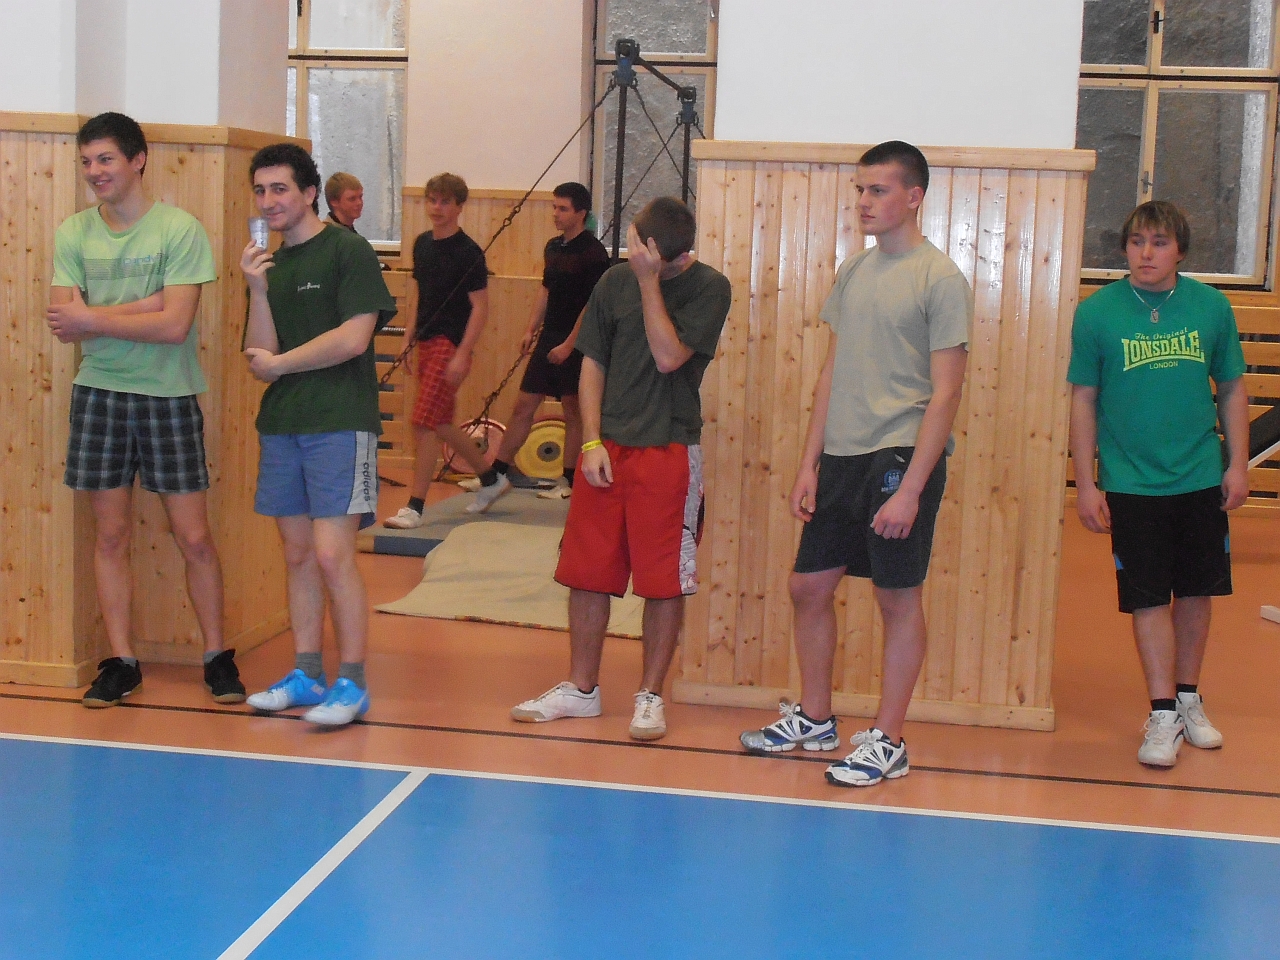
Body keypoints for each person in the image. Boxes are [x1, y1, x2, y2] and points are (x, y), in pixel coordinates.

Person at [740, 141, 971, 786]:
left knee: (897, 598)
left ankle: (889, 741)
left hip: (899, 456)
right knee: (808, 587)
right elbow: (831, 372)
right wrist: (809, 462)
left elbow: (946, 393)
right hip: (842, 456)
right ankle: (816, 720)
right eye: (860, 190)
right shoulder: (855, 271)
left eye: (878, 190)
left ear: (913, 197)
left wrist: (911, 489)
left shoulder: (940, 279)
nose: (864, 202)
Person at [511, 198, 732, 741]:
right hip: (607, 447)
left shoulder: (709, 287)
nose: (629, 252)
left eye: (639, 248)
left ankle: (650, 696)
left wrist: (650, 283)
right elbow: (593, 363)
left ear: (663, 254)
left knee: (663, 582)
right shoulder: (612, 282)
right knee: (586, 573)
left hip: (669, 450)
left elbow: (668, 357)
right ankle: (581, 689)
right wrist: (589, 441)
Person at [46, 111, 243, 708]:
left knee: (195, 536)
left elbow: (175, 326)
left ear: (137, 160)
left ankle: (217, 657)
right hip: (99, 393)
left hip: (169, 396)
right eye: (86, 161)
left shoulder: (179, 230)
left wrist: (95, 316)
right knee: (110, 535)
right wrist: (147, 305)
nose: (94, 171)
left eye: (105, 159)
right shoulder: (73, 232)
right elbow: (64, 322)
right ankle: (122, 662)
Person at [1067, 200, 1247, 768]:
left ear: (1180, 251)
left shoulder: (1211, 307)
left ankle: (1189, 698)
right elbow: (1083, 399)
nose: (1146, 253)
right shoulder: (1097, 314)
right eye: (1137, 242)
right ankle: (1162, 711)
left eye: (1159, 243)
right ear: (1125, 248)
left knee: (1195, 592)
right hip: (1130, 482)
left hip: (1199, 475)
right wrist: (1086, 482)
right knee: (1147, 597)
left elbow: (1231, 388)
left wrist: (1238, 464)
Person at [239, 143, 396, 726]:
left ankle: (352, 682)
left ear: (309, 193)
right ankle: (306, 674)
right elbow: (260, 353)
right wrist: (258, 290)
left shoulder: (348, 250)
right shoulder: (270, 265)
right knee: (299, 554)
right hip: (284, 423)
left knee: (333, 555)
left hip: (341, 422)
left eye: (280, 189)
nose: (268, 201)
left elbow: (354, 339)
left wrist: (280, 365)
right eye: (260, 190)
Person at [383, 173, 509, 527]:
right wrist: (408, 339)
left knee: (423, 423)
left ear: (459, 207)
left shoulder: (468, 253)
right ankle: (491, 478)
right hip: (425, 340)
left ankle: (414, 506)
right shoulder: (422, 244)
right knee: (439, 423)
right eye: (432, 200)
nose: (437, 208)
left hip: (450, 343)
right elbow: (419, 295)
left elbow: (480, 308)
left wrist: (463, 352)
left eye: (445, 202)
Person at [478, 182, 610, 499]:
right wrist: (530, 329)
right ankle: (497, 475)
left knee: (573, 411)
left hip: (576, 341)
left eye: (563, 209)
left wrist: (570, 345)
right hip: (549, 335)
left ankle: (568, 481)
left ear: (581, 213)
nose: (555, 214)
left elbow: (592, 305)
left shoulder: (593, 253)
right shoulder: (553, 247)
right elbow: (545, 289)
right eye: (554, 207)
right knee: (524, 405)